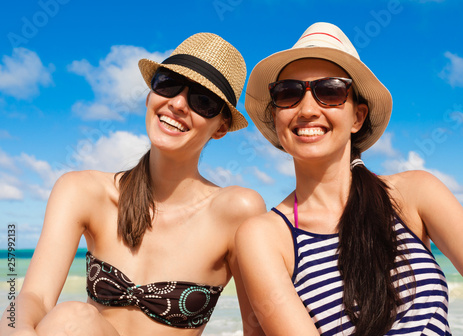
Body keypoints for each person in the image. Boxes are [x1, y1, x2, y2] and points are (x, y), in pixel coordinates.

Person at [238, 22, 463, 336]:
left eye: (330, 91)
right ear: (276, 115)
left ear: (358, 117)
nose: (307, 109)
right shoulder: (266, 236)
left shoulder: (414, 193)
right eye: (288, 93)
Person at [1, 32, 266, 336]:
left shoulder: (236, 211)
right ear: (149, 96)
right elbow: (33, 297)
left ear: (221, 127)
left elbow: (254, 327)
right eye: (167, 84)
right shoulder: (82, 192)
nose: (178, 103)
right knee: (71, 317)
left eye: (202, 100)